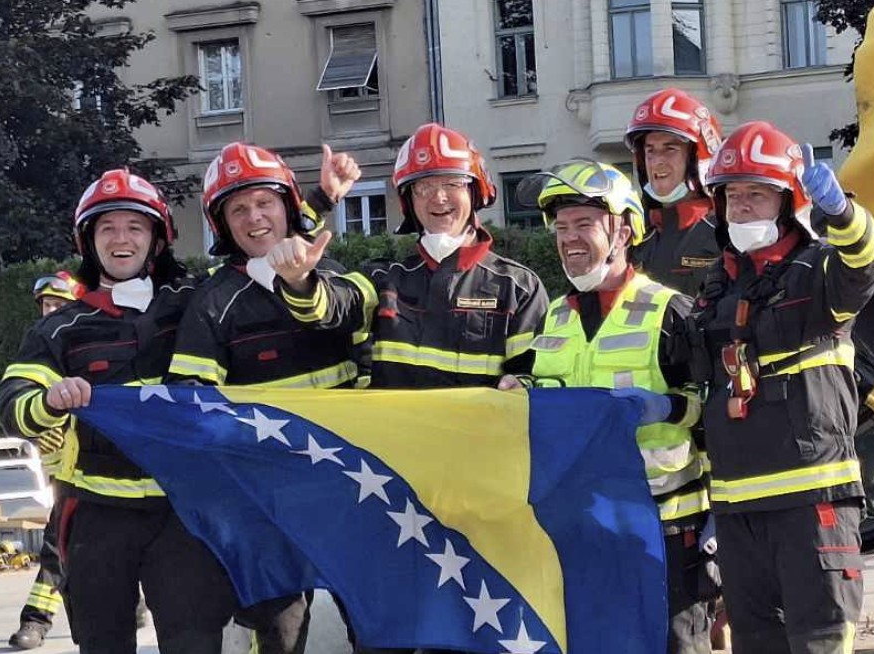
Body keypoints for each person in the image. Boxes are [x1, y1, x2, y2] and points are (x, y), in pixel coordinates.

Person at [266, 122, 549, 654]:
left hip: (479, 499)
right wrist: (302, 279)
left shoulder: (517, 284)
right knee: (385, 633)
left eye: (450, 184)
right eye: (422, 187)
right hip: (393, 497)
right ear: (407, 200)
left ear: (477, 191)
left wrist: (525, 385)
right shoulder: (383, 275)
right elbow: (330, 307)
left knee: (474, 636)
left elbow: (539, 376)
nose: (438, 198)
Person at [0, 169, 237, 654]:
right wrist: (47, 400)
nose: (121, 238)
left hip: (184, 515)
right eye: (107, 227)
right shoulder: (61, 327)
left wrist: (314, 208)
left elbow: (259, 270)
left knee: (196, 645)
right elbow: (14, 403)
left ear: (157, 239)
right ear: (89, 241)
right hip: (96, 519)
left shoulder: (196, 302)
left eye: (135, 226)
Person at [690, 121, 874, 653]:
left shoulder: (820, 271)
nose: (741, 207)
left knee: (819, 642)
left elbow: (872, 260)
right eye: (732, 195)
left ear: (787, 203)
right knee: (755, 645)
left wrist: (842, 212)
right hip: (737, 509)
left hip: (812, 503)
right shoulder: (717, 284)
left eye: (756, 194)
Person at [499, 160, 713, 654]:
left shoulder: (671, 312)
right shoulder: (553, 316)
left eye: (585, 224)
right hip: (580, 527)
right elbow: (550, 388)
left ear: (623, 231)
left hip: (663, 530)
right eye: (562, 226)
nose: (569, 238)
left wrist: (666, 407)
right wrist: (519, 389)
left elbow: (711, 411)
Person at [167, 141, 361, 654]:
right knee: (281, 631)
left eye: (264, 202)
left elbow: (356, 328)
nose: (255, 218)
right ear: (222, 225)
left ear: (286, 207)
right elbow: (193, 405)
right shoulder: (212, 303)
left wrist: (318, 212)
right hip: (269, 499)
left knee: (374, 624)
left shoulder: (334, 275)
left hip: (351, 487)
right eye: (238, 209)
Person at [7, 272, 84, 649]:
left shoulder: (87, 343)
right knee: (67, 547)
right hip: (59, 471)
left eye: (59, 305)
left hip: (92, 470)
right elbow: (16, 401)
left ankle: (35, 621)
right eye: (46, 304)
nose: (51, 311)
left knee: (60, 547)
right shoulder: (39, 345)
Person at [625, 88, 723, 296]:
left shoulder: (729, 230)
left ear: (697, 159)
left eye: (670, 149)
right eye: (650, 151)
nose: (657, 161)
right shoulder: (631, 233)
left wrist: (810, 215)